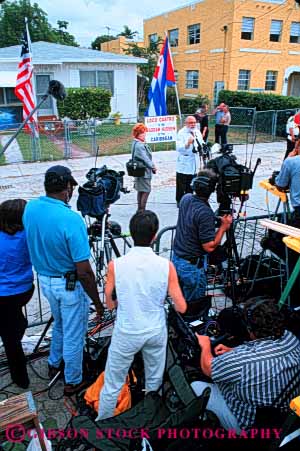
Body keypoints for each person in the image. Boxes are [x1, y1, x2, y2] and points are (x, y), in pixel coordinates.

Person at [97, 210, 187, 420]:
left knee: (113, 384)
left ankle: (103, 424)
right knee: (154, 381)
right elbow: (181, 307)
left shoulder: (115, 266)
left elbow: (109, 304)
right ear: (155, 236)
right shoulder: (166, 266)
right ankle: (150, 419)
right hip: (155, 330)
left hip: (127, 332)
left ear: (131, 233)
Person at [23, 165, 104, 396]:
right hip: (68, 286)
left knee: (60, 323)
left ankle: (54, 362)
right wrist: (97, 303)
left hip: (46, 282)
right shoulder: (71, 219)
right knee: (74, 333)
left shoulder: (31, 208)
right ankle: (73, 380)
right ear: (68, 188)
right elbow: (85, 271)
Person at [192, 297, 300, 432]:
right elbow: (264, 352)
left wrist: (205, 345)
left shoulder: (243, 362)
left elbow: (208, 368)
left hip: (249, 424)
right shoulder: (291, 338)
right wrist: (233, 351)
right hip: (281, 412)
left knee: (195, 386)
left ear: (250, 329)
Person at [172, 169, 232, 302]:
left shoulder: (186, 198)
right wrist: (223, 227)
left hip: (177, 260)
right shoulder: (205, 213)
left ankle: (181, 319)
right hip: (191, 267)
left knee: (181, 300)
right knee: (193, 306)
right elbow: (209, 247)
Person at [0, 199, 34, 389]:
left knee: (10, 339)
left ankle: (21, 379)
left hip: (5, 295)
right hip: (23, 291)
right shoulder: (27, 236)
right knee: (14, 327)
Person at [176, 116, 205, 205]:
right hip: (185, 159)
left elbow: (201, 142)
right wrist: (187, 144)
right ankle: (180, 200)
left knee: (191, 182)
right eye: (191, 123)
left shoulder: (197, 132)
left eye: (194, 122)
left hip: (194, 160)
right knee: (182, 182)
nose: (193, 124)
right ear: (186, 123)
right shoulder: (181, 133)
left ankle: (190, 199)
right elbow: (179, 148)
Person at [131, 123, 157, 211]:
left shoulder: (136, 143)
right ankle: (142, 210)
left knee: (141, 190)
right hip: (143, 172)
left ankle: (140, 209)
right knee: (146, 190)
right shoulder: (139, 145)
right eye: (143, 133)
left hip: (139, 171)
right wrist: (153, 167)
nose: (145, 134)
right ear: (138, 134)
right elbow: (145, 158)